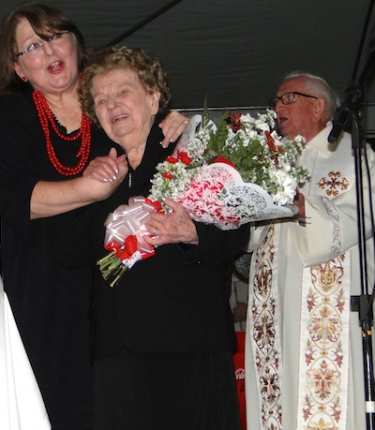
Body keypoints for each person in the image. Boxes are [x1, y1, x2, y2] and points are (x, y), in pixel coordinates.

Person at [0, 3, 189, 428]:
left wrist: (169, 124)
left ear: (75, 43)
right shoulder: (10, 114)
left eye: (55, 36)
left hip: (115, 282)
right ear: (19, 68)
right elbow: (14, 199)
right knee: (58, 404)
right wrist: (90, 188)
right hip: (45, 288)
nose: (49, 50)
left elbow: (148, 157)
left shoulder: (106, 103)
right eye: (32, 46)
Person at [66, 45, 248, 429]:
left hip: (190, 346)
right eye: (101, 100)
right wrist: (88, 190)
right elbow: (72, 254)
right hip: (116, 350)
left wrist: (192, 232)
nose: (112, 104)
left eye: (123, 91)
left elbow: (238, 233)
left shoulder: (192, 153)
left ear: (153, 99)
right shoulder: (95, 171)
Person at [245, 72, 375, 430]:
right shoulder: (272, 160)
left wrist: (303, 208)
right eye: (276, 101)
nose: (278, 107)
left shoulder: (353, 155)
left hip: (330, 314)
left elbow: (363, 214)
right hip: (276, 309)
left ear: (318, 107)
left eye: (288, 98)